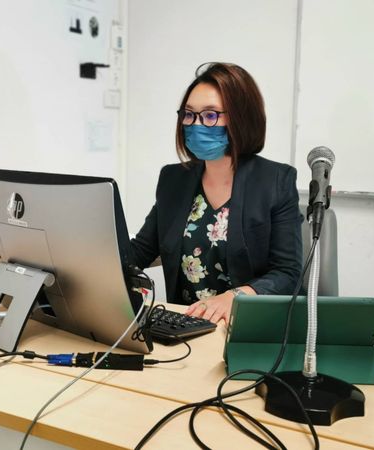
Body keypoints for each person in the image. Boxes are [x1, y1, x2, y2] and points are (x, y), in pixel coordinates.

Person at [130, 62, 303, 324]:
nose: (196, 124)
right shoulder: (174, 179)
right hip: (186, 325)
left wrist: (234, 297)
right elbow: (141, 250)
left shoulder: (275, 181)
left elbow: (287, 273)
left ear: (241, 118)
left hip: (247, 325)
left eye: (210, 115)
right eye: (189, 114)